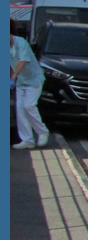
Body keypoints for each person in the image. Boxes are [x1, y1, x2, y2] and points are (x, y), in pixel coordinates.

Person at [10, 20, 49, 149]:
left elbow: (24, 60)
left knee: (29, 106)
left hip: (34, 80)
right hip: (21, 82)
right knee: (20, 110)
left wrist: (13, 76)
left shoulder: (20, 42)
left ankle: (43, 132)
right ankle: (27, 140)